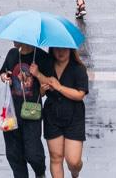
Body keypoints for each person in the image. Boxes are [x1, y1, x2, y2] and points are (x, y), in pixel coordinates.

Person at [0, 40, 51, 178]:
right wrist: (5, 77)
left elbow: (49, 84)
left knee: (33, 153)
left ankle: (40, 173)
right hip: (11, 112)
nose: (13, 40)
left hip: (32, 113)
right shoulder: (12, 54)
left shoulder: (41, 57)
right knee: (14, 154)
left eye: (16, 37)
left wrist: (39, 77)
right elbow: (3, 73)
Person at [39, 44, 89, 178]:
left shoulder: (78, 69)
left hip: (74, 116)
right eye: (57, 49)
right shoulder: (47, 66)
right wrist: (42, 90)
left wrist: (59, 87)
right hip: (52, 115)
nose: (60, 52)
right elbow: (40, 92)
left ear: (70, 50)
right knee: (56, 157)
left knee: (73, 161)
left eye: (64, 49)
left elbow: (80, 94)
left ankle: (75, 172)